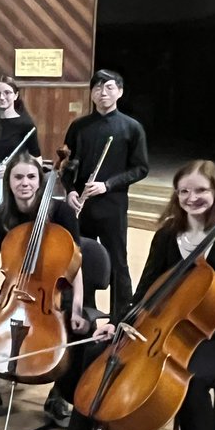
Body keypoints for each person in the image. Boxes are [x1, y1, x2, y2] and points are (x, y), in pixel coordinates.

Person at [48, 160, 215, 430]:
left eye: (201, 191)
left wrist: (183, 327)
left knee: (190, 385)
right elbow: (145, 291)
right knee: (100, 351)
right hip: (158, 325)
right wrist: (120, 322)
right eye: (184, 191)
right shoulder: (167, 234)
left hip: (211, 334)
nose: (192, 198)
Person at [0, 154, 87, 423]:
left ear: (39, 180)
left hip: (53, 292)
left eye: (31, 177)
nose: (25, 183)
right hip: (12, 292)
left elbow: (76, 265)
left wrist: (78, 308)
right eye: (18, 177)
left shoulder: (61, 212)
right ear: (8, 181)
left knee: (79, 329)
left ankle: (58, 397)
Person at [62, 69, 148, 319]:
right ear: (91, 93)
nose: (103, 93)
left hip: (112, 204)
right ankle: (85, 312)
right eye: (98, 88)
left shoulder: (131, 128)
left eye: (109, 87)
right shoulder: (79, 126)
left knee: (118, 262)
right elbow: (68, 164)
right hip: (82, 205)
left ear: (120, 92)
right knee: (83, 258)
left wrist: (107, 185)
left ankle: (121, 317)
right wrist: (69, 191)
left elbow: (140, 168)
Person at [0, 76, 42, 274]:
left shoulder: (26, 125)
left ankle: (14, 296)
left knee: (17, 245)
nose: (2, 97)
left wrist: (13, 168)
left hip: (16, 194)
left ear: (16, 95)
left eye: (7, 93)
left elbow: (37, 160)